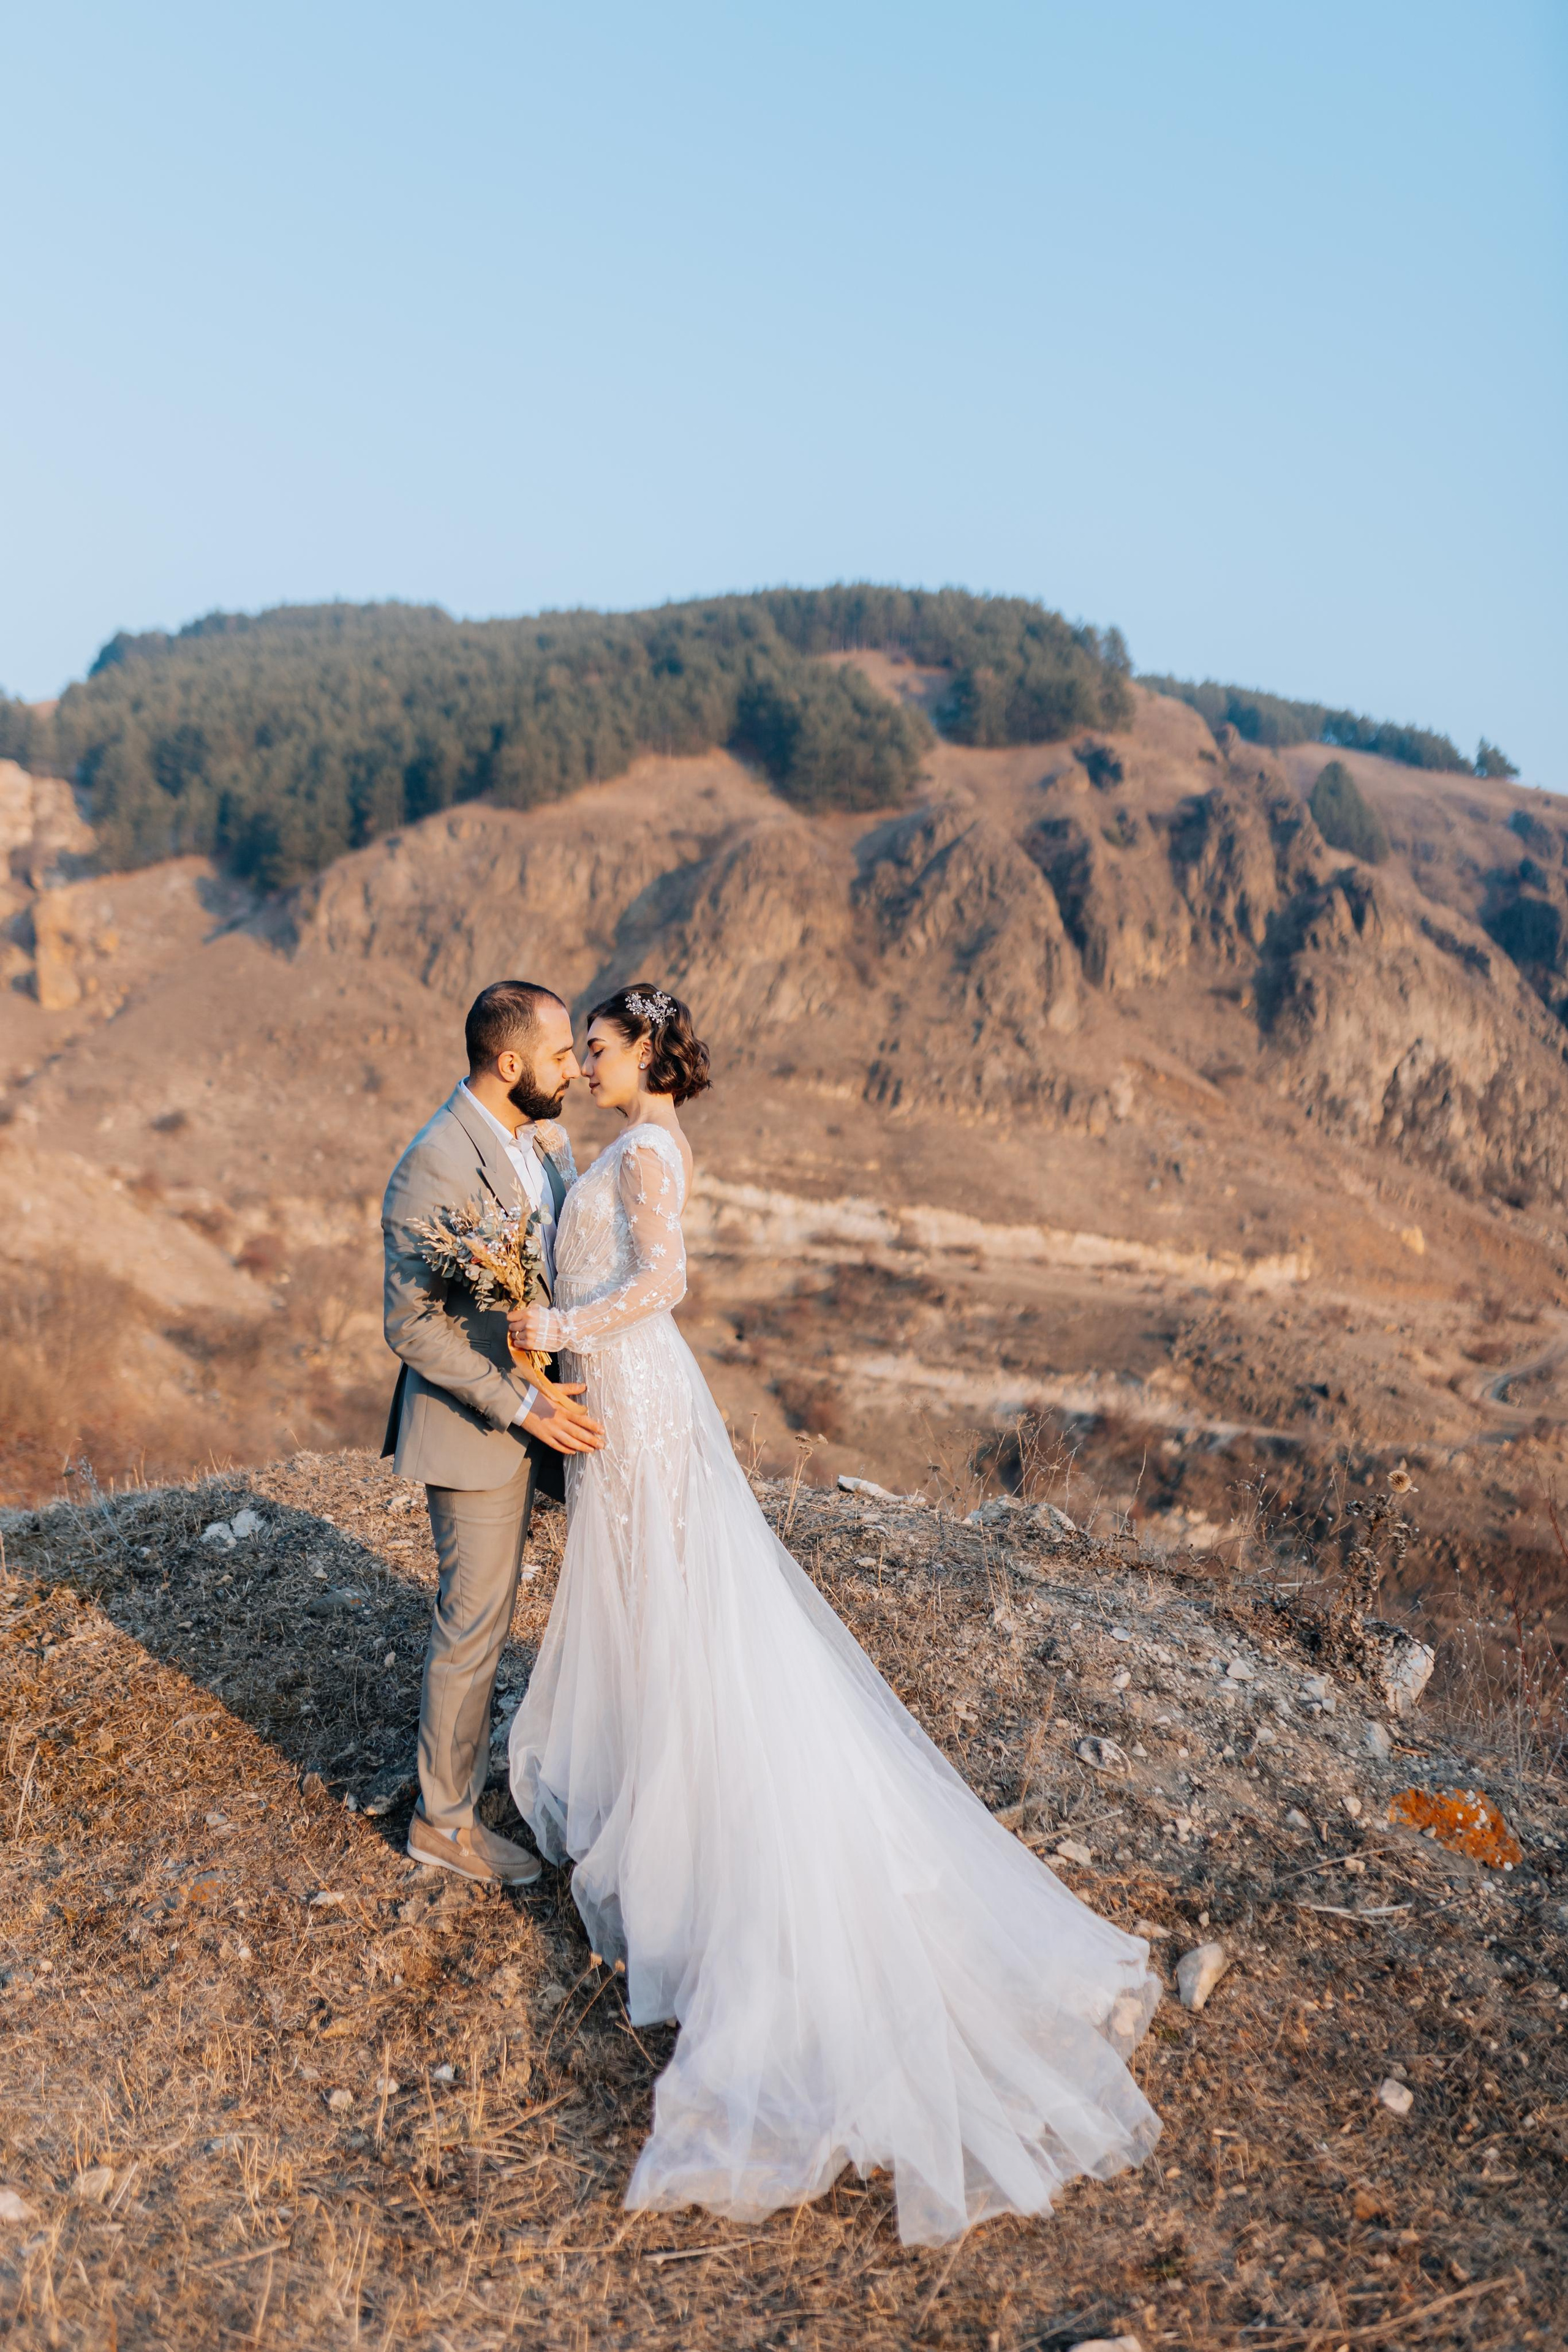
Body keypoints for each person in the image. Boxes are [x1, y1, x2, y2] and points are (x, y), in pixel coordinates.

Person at [507, 983, 1162, 2247]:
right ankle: (657, 1772)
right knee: (646, 1601)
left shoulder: (648, 1151)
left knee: (674, 1604)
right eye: (577, 1049)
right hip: (621, 1395)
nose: (582, 1063)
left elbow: (666, 1280)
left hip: (638, 1390)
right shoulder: (605, 1145)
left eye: (596, 1045)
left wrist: (553, 1324)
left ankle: (692, 1806)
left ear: (644, 1051)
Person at [382, 979, 604, 1888]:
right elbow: (412, 1326)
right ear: (508, 1064)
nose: (573, 1072)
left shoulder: (540, 1140)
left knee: (509, 1610)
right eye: (559, 1058)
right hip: (478, 1432)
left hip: (548, 1411)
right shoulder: (431, 1163)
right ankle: (442, 1824)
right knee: (472, 1627)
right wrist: (521, 1406)